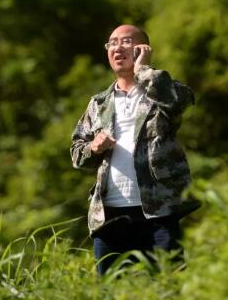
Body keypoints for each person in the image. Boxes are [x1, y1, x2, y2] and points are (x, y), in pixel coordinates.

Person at [70, 24, 197, 276]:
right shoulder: (98, 103)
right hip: (110, 216)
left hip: (158, 211)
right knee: (110, 290)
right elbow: (76, 152)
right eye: (112, 42)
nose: (117, 47)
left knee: (168, 285)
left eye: (126, 42)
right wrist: (93, 148)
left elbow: (179, 101)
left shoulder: (161, 90)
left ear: (143, 49)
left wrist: (144, 70)